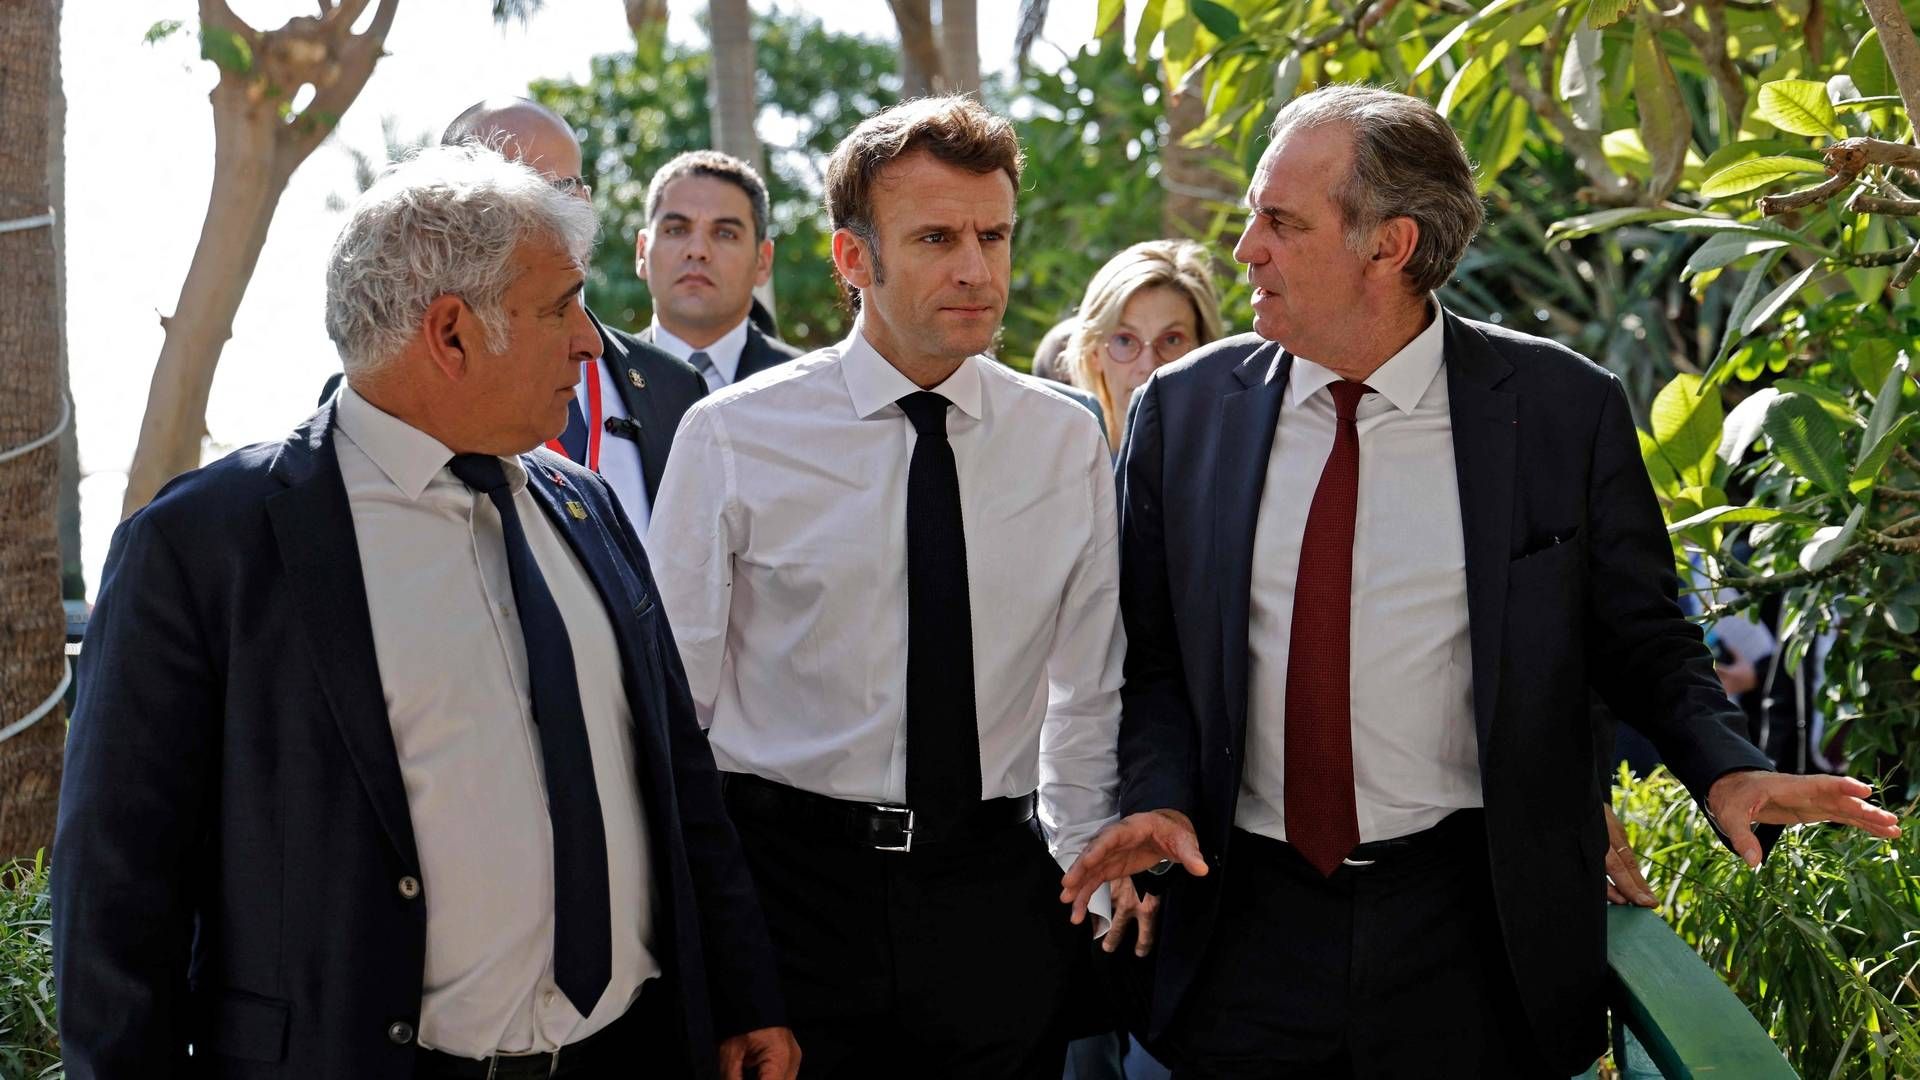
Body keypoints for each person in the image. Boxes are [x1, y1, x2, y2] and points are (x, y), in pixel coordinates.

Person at [1060, 84, 1900, 1077]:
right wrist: (1154, 797)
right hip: (1241, 929)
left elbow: (1642, 638)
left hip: (1473, 937)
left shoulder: (1561, 410)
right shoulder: (1182, 414)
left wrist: (1725, 764)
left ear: (1391, 245)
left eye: (1281, 223)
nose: (1246, 249)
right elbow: (1151, 660)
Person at [52, 144, 798, 1080]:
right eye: (561, 306)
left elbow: (678, 786)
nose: (592, 341)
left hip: (632, 1054)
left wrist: (742, 996)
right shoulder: (208, 547)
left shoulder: (587, 505)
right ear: (451, 333)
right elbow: (117, 896)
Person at [648, 96, 1177, 1078]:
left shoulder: (1063, 439)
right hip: (792, 899)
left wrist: (1091, 877)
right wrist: (718, 955)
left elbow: (1087, 691)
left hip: (997, 899)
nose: (977, 267)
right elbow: (675, 720)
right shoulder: (731, 438)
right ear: (854, 259)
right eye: (936, 237)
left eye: (994, 235)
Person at [443, 98, 709, 533]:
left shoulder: (674, 386)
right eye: (508, 195)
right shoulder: (410, 389)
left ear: (586, 202)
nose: (542, 216)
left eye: (559, 192)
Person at [634, 150, 804, 390]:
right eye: (675, 230)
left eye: (725, 233)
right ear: (642, 252)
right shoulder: (591, 383)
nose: (697, 250)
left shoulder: (809, 388)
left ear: (763, 261)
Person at [1064, 241, 1225, 450]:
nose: (1149, 366)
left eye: (1171, 339)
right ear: (1093, 353)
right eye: (1125, 340)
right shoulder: (1061, 466)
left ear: (1205, 348)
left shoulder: (1240, 463)